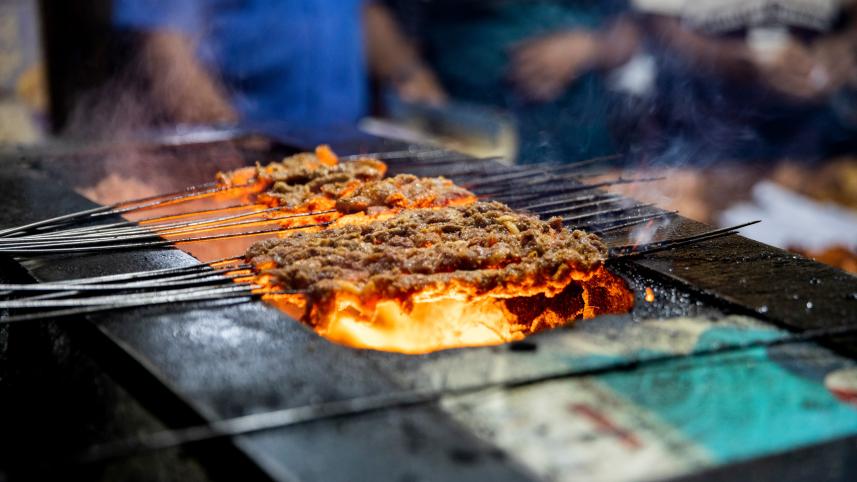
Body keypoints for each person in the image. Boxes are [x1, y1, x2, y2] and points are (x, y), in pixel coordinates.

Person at [112, 0, 446, 130]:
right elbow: (162, 38)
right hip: (251, 149)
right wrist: (228, 136)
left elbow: (363, 11)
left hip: (346, 146)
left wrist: (409, 73)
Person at [632, 0, 857, 162]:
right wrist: (738, 60)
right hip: (701, 120)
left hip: (815, 128)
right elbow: (657, 24)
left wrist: (842, 48)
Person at [415, 0, 639, 164]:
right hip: (475, 139)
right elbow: (391, 19)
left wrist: (590, 46)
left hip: (584, 149)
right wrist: (409, 73)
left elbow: (627, 32)